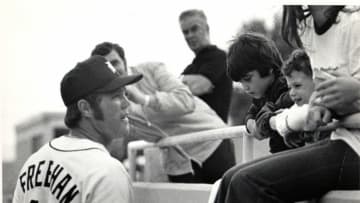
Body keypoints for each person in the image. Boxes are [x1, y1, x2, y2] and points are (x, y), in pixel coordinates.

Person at [214, 6, 360, 203]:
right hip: (341, 138)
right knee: (230, 178)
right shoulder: (307, 30)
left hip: (355, 147)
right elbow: (325, 97)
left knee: (246, 182)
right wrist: (318, 110)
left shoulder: (354, 22)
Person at [91, 42, 235, 184]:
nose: (113, 70)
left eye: (115, 62)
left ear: (124, 61)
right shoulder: (110, 104)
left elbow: (186, 101)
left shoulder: (152, 69)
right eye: (106, 67)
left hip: (211, 142)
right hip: (177, 161)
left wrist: (144, 99)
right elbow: (113, 142)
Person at [12, 55, 142, 203]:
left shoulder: (32, 163)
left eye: (125, 93)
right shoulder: (107, 173)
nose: (127, 103)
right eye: (116, 96)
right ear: (85, 108)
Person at [227, 32, 293, 153]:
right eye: (241, 82)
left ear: (268, 68)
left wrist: (263, 120)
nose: (245, 87)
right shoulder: (261, 95)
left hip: (295, 153)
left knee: (244, 173)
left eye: (247, 79)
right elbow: (251, 113)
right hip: (280, 155)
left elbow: (283, 102)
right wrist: (251, 124)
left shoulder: (287, 85)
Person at [179, 9, 233, 122]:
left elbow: (200, 86)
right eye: (185, 32)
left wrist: (178, 85)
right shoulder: (190, 68)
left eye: (194, 29)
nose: (190, 35)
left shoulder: (220, 57)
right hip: (195, 136)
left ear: (206, 28)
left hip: (216, 136)